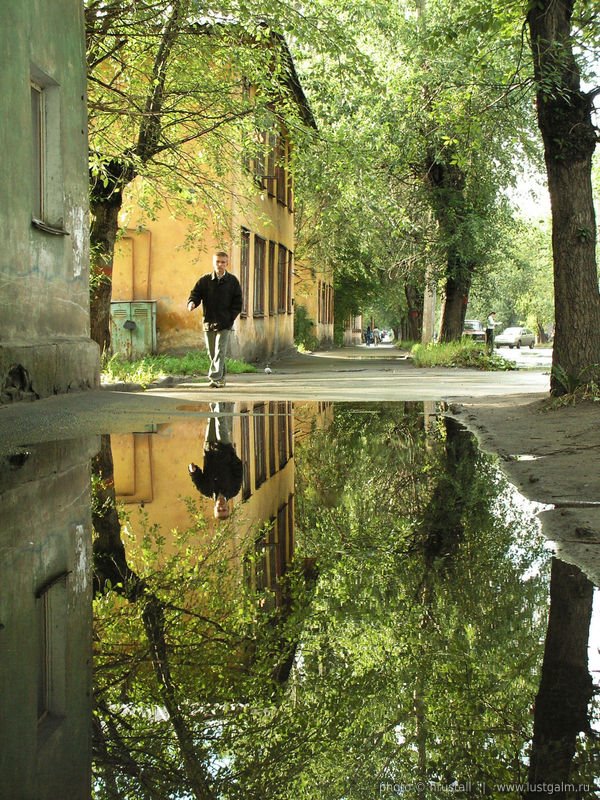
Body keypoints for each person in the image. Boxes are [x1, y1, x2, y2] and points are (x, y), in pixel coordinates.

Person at [187, 251, 243, 388]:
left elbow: (238, 303)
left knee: (220, 350)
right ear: (213, 263)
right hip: (208, 321)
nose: (220, 264)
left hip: (225, 323)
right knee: (212, 352)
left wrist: (231, 318)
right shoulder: (205, 280)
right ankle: (221, 378)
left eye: (223, 262)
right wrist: (192, 303)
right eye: (217, 262)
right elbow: (195, 294)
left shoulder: (232, 281)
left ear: (227, 263)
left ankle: (215, 378)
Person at [188, 402, 243, 519]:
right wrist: (230, 456)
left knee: (211, 421)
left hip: (209, 450)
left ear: (215, 508)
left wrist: (193, 470)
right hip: (225, 447)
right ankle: (219, 401)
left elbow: (197, 478)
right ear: (228, 507)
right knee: (220, 423)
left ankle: (215, 404)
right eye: (224, 509)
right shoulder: (233, 490)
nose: (221, 507)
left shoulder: (206, 490)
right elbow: (238, 469)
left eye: (219, 510)